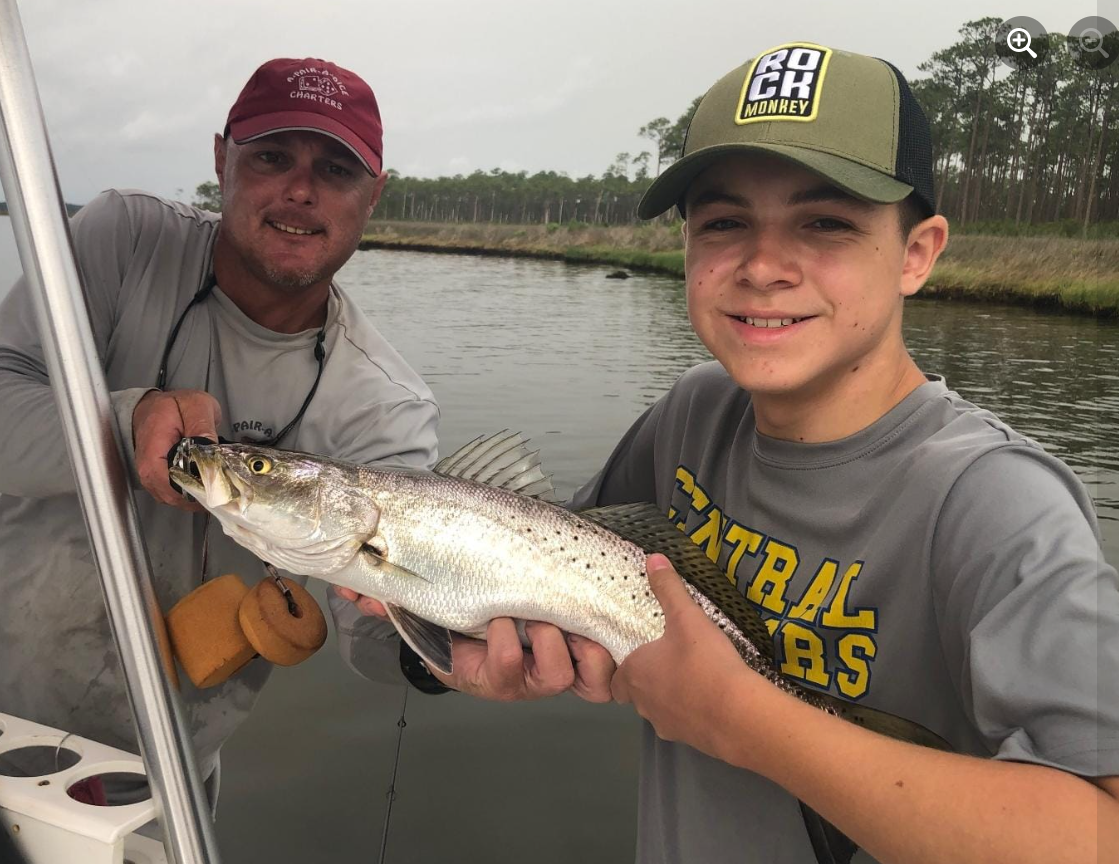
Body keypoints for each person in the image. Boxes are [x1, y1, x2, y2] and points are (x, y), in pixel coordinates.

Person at [572, 43, 1117, 863]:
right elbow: (547, 568)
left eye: (824, 222)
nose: (760, 267)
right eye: (723, 223)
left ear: (916, 253)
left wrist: (744, 720)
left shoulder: (994, 500)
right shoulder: (691, 415)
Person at [0, 57, 444, 797]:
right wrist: (123, 415)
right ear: (220, 159)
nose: (300, 190)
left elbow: (375, 631)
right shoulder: (123, 240)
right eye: (272, 156)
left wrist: (444, 649)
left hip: (163, 778)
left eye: (336, 169)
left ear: (374, 195)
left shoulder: (384, 406)